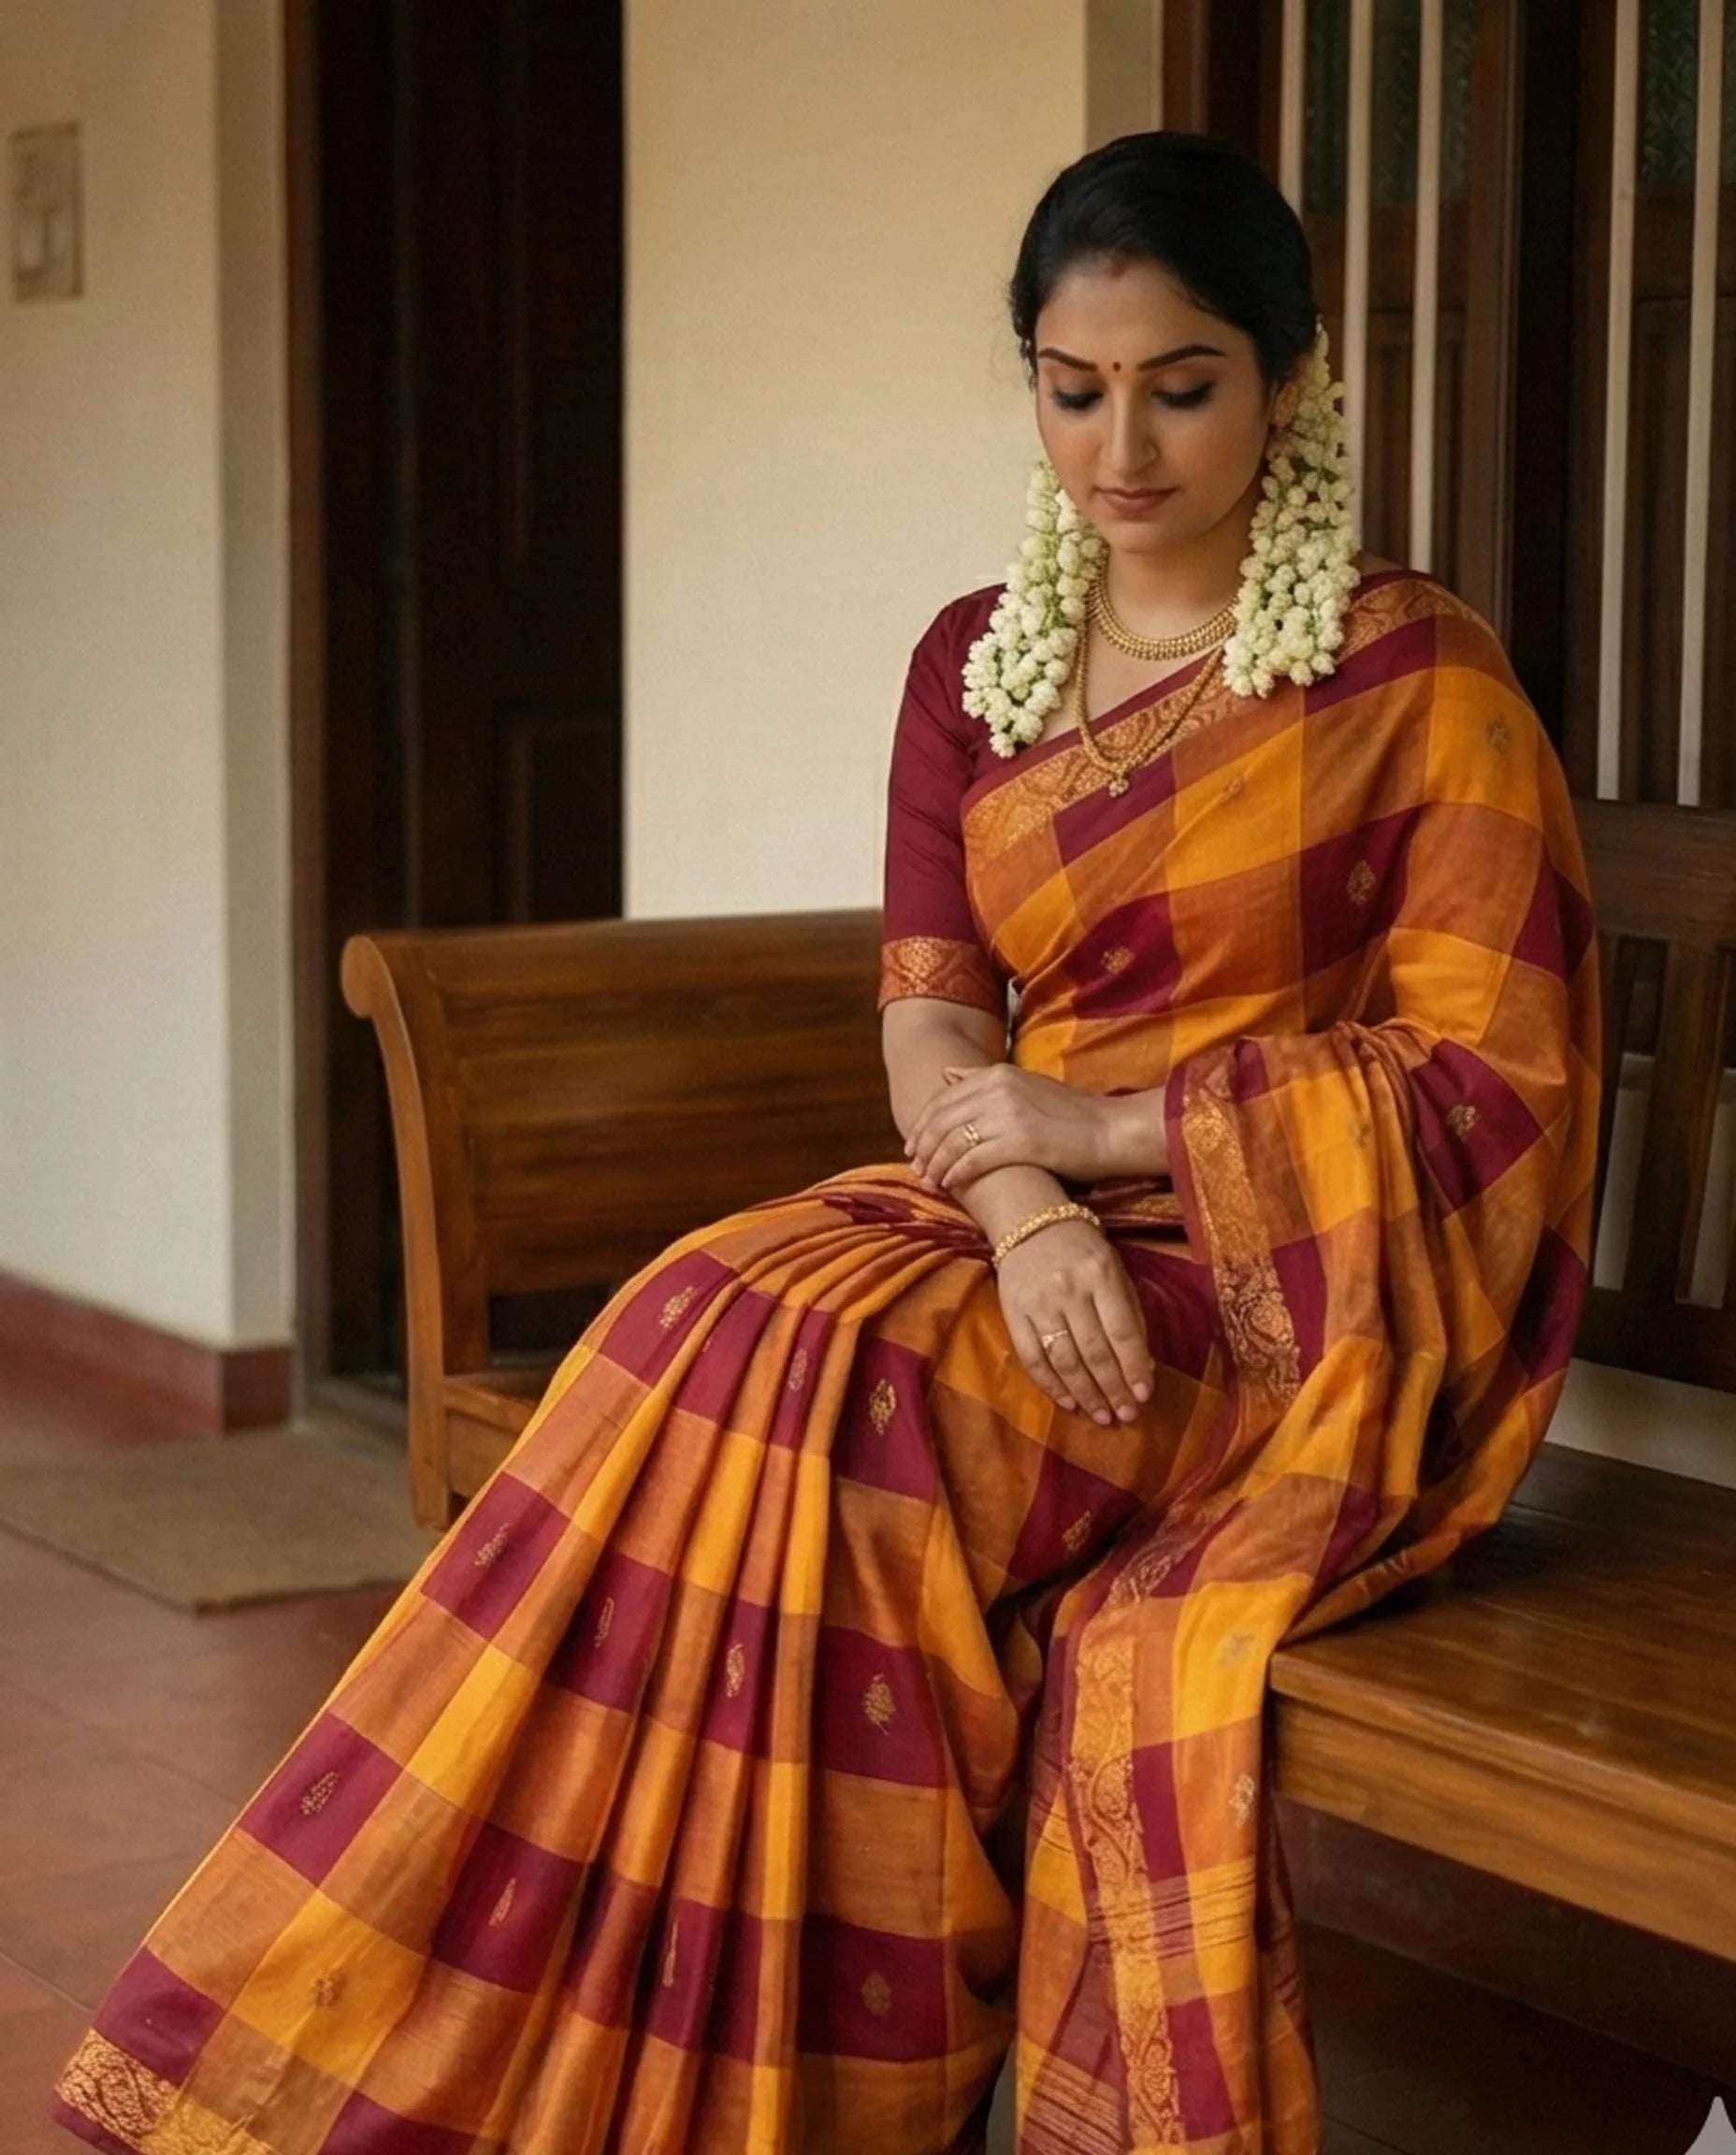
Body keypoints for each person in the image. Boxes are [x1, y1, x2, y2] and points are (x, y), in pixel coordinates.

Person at [49, 129, 1599, 2155]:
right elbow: (930, 1014)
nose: (1121, 447)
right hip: (1015, 1218)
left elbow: (1495, 1082)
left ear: (1290, 380)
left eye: (1181, 385)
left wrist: (1105, 1123)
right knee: (694, 1315)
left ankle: (824, 2091)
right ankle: (524, 2054)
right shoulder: (977, 660)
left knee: (857, 1407)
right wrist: (1028, 1201)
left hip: (1284, 1293)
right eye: (1072, 388)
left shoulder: (1413, 672)